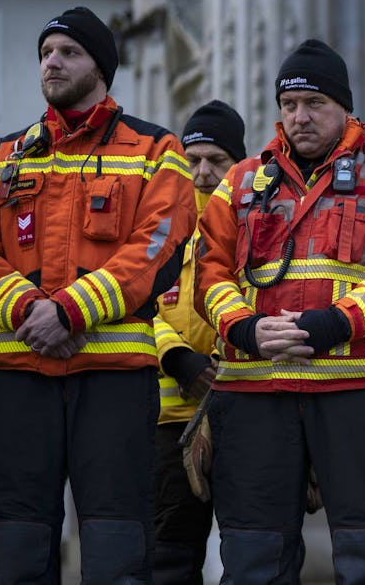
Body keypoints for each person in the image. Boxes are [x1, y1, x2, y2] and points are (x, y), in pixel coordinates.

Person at [193, 38, 365, 584]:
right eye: (289, 105)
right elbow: (208, 269)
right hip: (254, 389)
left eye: (315, 104)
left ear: (344, 107)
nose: (299, 117)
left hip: (360, 389)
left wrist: (338, 322)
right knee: (252, 559)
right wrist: (244, 327)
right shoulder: (240, 181)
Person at [0, 6, 195, 583]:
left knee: (118, 540)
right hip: (18, 375)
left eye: (68, 52)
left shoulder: (155, 149)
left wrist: (67, 312)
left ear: (101, 67)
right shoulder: (3, 155)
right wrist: (26, 311)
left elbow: (158, 244)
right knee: (14, 541)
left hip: (113, 375)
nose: (52, 62)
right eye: (45, 53)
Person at [152, 99, 246, 584]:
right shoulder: (160, 228)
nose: (204, 172)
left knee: (250, 550)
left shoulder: (254, 225)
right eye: (193, 161)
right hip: (169, 421)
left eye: (218, 160)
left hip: (240, 409)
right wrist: (175, 355)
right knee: (169, 555)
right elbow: (133, 302)